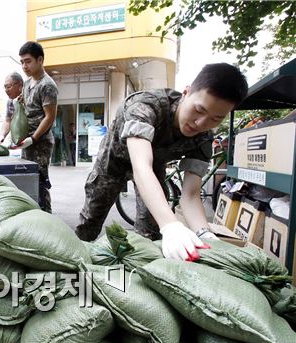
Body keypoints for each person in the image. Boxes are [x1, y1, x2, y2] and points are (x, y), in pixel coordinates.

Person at [75, 63, 248, 261]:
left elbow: (190, 195)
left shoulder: (203, 138)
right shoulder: (145, 105)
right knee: (90, 221)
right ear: (186, 92)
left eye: (215, 119)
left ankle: (137, 275)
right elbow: (141, 166)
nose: (201, 123)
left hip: (153, 168)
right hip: (113, 164)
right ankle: (73, 264)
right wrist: (171, 224)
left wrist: (204, 233)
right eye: (199, 110)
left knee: (152, 230)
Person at [12, 41, 58, 213]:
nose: (24, 66)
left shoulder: (47, 85)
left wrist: (33, 138)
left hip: (41, 143)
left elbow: (50, 117)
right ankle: (33, 215)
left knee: (39, 182)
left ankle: (46, 218)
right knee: (28, 180)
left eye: (28, 61)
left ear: (40, 60)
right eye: (22, 62)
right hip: (27, 140)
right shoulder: (27, 83)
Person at [0, 71, 24, 144]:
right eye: (5, 87)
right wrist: (2, 135)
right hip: (19, 141)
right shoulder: (10, 102)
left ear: (20, 85)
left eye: (8, 87)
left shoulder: (29, 97)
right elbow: (7, 120)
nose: (6, 90)